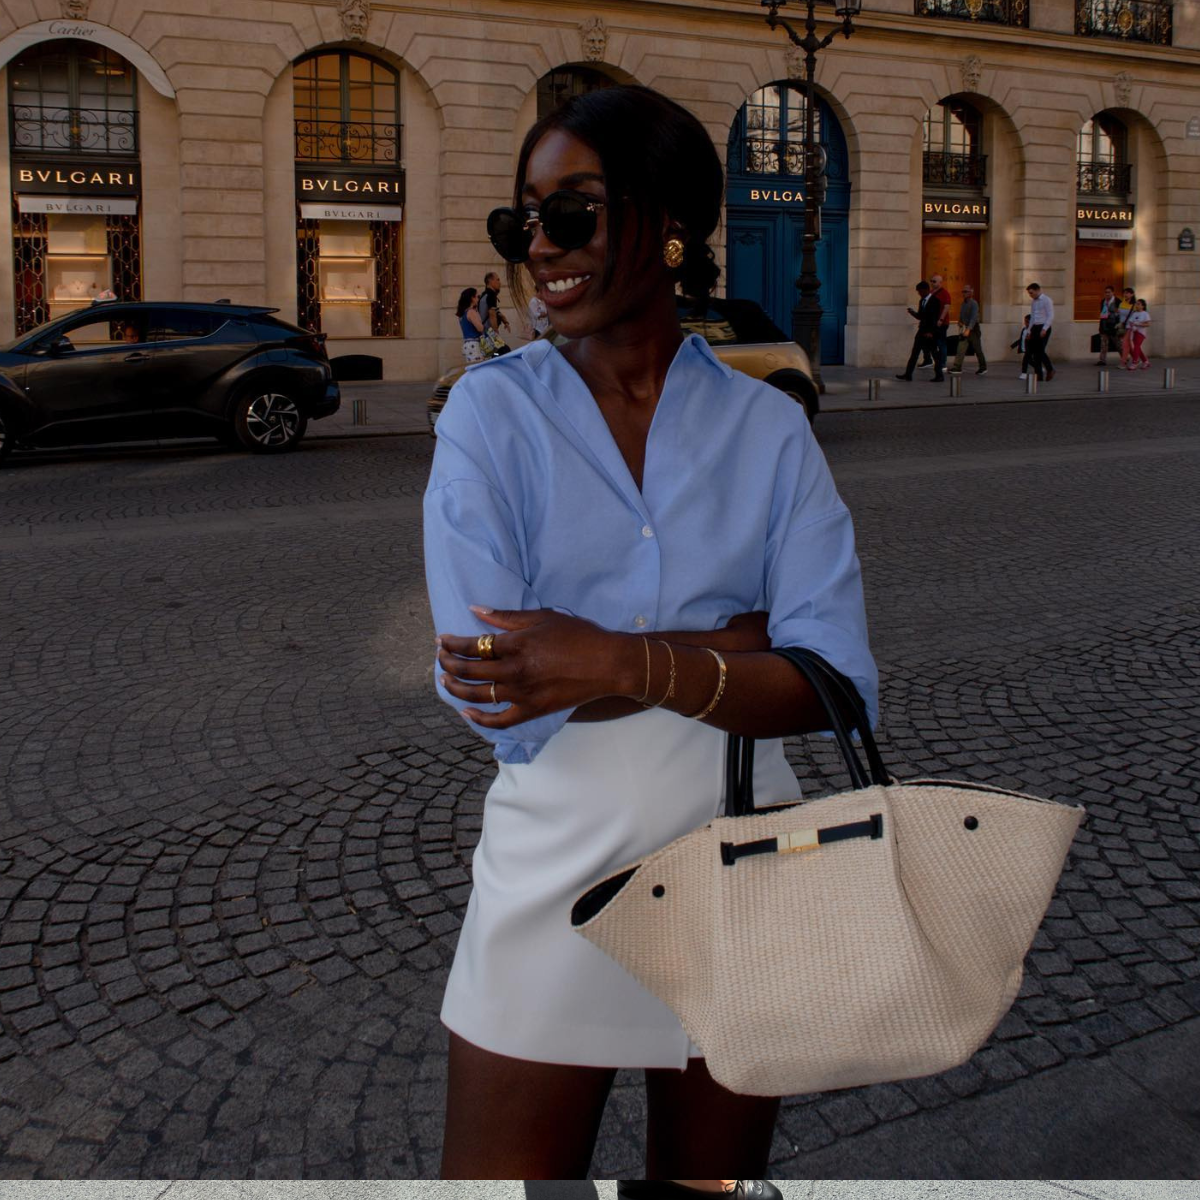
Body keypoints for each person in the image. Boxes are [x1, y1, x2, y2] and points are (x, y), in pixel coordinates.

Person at [424, 84, 877, 1180]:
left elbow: (832, 684)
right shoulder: (490, 416)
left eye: (571, 212)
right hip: (549, 877)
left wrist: (612, 656)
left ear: (668, 225)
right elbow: (495, 679)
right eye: (522, 220)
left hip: (746, 865)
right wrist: (736, 646)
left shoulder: (769, 430)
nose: (539, 245)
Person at [895, 280, 940, 381]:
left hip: (930, 332)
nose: (919, 294)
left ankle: (939, 375)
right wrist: (913, 313)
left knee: (934, 353)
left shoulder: (935, 301)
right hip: (922, 331)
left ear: (926, 290)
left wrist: (931, 332)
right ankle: (908, 374)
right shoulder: (922, 301)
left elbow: (934, 318)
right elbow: (921, 316)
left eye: (920, 291)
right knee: (914, 353)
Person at [950, 284, 987, 375]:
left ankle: (983, 367)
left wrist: (968, 329)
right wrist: (960, 321)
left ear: (971, 293)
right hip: (966, 328)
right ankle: (957, 367)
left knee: (977, 349)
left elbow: (974, 318)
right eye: (963, 291)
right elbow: (962, 314)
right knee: (960, 348)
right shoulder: (963, 303)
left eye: (966, 291)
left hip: (973, 329)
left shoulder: (974, 303)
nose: (964, 293)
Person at [1025, 282, 1055, 382]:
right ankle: (1039, 375)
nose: (1030, 295)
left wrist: (1045, 329)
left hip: (1043, 326)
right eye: (1029, 293)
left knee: (1040, 351)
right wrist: (1029, 331)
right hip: (1035, 327)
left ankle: (1050, 369)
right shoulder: (1034, 302)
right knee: (1034, 352)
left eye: (1031, 293)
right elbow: (1033, 317)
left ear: (1037, 290)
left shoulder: (1047, 300)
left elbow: (1050, 315)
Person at [478, 270, 512, 346]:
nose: (500, 283)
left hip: (485, 333)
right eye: (497, 280)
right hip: (489, 333)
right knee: (503, 351)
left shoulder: (485, 295)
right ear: (490, 281)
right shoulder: (490, 295)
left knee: (496, 354)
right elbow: (492, 315)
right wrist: (496, 333)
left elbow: (496, 312)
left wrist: (505, 322)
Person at [928, 273, 952, 378]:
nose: (932, 283)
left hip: (942, 323)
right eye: (931, 281)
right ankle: (933, 362)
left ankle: (942, 363)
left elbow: (946, 307)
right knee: (933, 343)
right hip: (933, 323)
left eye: (934, 281)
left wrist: (941, 319)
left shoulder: (945, 293)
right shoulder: (931, 292)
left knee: (941, 343)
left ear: (940, 282)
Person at [456, 287, 487, 363]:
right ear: (472, 298)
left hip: (468, 344)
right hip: (475, 345)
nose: (478, 299)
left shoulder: (462, 314)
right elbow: (480, 328)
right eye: (477, 296)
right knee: (479, 370)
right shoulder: (471, 312)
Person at [1097, 284, 1121, 366]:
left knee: (1117, 344)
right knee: (1103, 343)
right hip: (1104, 325)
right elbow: (1102, 314)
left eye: (1109, 292)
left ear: (1113, 292)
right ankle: (1102, 360)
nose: (1107, 294)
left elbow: (1120, 314)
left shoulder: (1118, 301)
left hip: (1114, 325)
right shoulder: (1103, 301)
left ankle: (1124, 358)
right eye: (1106, 292)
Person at [1125, 298, 1150, 369]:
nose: (1137, 305)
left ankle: (1134, 362)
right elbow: (1130, 321)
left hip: (1141, 333)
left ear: (1143, 306)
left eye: (1139, 304)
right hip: (1134, 332)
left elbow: (1148, 324)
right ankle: (1145, 361)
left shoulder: (1145, 314)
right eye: (1136, 304)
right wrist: (1131, 325)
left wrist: (1139, 324)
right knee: (1138, 347)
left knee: (1136, 346)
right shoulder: (1134, 313)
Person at [1117, 286, 1136, 367]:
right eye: (1124, 293)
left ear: (1132, 294)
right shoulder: (1121, 303)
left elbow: (1137, 316)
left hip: (1130, 327)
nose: (1125, 294)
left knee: (1125, 344)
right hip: (1122, 326)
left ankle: (1123, 362)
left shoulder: (1135, 305)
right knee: (1127, 345)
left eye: (1127, 293)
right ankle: (1137, 359)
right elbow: (1119, 314)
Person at [1011, 314, 1032, 379]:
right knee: (1030, 361)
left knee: (1025, 361)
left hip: (1029, 349)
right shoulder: (1024, 329)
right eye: (1025, 321)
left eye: (1027, 322)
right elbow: (1021, 339)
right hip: (1024, 348)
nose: (1025, 323)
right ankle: (1038, 367)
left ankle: (1024, 373)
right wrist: (1013, 345)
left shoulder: (1032, 331)